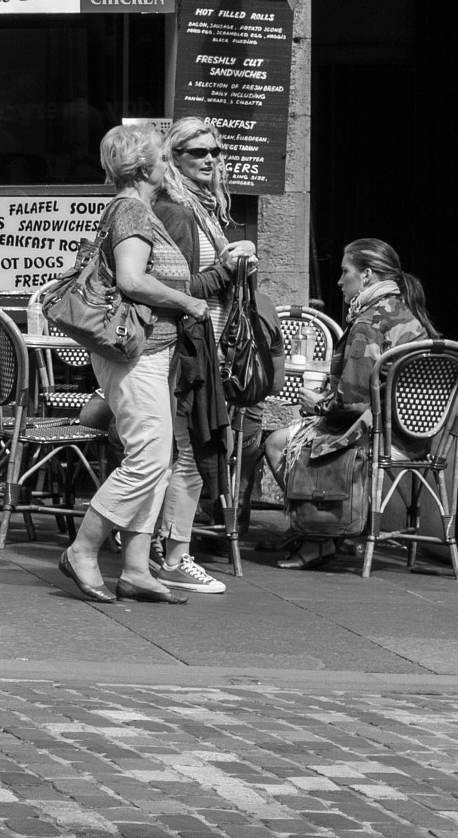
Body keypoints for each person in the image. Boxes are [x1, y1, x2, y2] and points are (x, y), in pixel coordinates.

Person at [57, 123, 213, 606]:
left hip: (150, 352)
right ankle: (83, 549)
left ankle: (136, 569)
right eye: (165, 159)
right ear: (146, 167)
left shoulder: (137, 209)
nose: (170, 167)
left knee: (156, 459)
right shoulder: (131, 211)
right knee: (147, 457)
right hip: (136, 355)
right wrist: (187, 302)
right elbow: (131, 279)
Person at [262, 238, 435, 569]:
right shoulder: (409, 315)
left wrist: (317, 405)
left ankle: (321, 534)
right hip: (416, 436)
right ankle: (329, 531)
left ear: (367, 275)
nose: (340, 281)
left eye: (345, 272)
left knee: (276, 442)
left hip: (377, 438)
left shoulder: (369, 324)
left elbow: (352, 403)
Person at [145, 119, 257, 595]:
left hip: (201, 345)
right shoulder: (177, 212)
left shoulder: (203, 209)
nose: (210, 159)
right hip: (185, 348)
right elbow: (177, 290)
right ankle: (175, 555)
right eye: (196, 152)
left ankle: (160, 548)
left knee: (183, 453)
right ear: (174, 158)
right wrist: (227, 267)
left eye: (215, 150)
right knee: (187, 454)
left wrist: (237, 260)